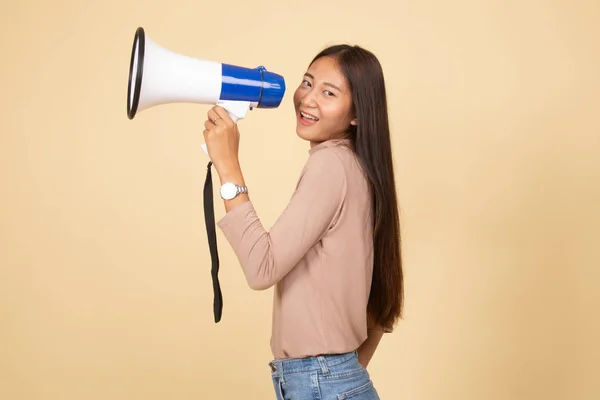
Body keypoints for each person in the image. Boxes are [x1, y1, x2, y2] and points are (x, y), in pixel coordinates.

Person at [202, 44, 404, 399]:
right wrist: (339, 376)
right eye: (307, 83)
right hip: (327, 381)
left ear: (357, 113)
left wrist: (228, 166)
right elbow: (380, 308)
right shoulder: (357, 167)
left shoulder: (330, 166)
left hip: (321, 382)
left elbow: (262, 268)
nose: (307, 99)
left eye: (328, 92)